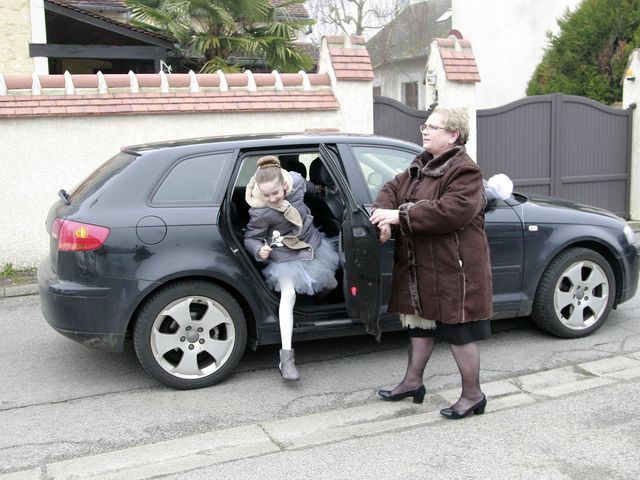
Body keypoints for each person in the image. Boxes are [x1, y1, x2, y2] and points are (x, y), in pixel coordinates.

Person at [369, 106, 493, 419]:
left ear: (453, 135)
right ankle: (413, 383)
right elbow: (391, 190)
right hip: (420, 266)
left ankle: (473, 395)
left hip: (455, 268)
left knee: (458, 331)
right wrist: (383, 218)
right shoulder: (420, 164)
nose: (425, 130)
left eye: (434, 127)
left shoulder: (465, 171)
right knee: (419, 324)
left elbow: (449, 212)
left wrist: (399, 216)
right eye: (425, 125)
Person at [244, 155, 339, 381]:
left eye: (275, 193)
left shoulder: (295, 182)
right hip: (284, 256)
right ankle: (286, 358)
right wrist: (259, 250)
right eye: (266, 195)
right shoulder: (260, 210)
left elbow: (307, 186)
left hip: (311, 244)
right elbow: (251, 237)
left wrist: (322, 188)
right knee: (289, 294)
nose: (272, 199)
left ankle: (317, 302)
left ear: (284, 185)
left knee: (332, 284)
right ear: (259, 192)